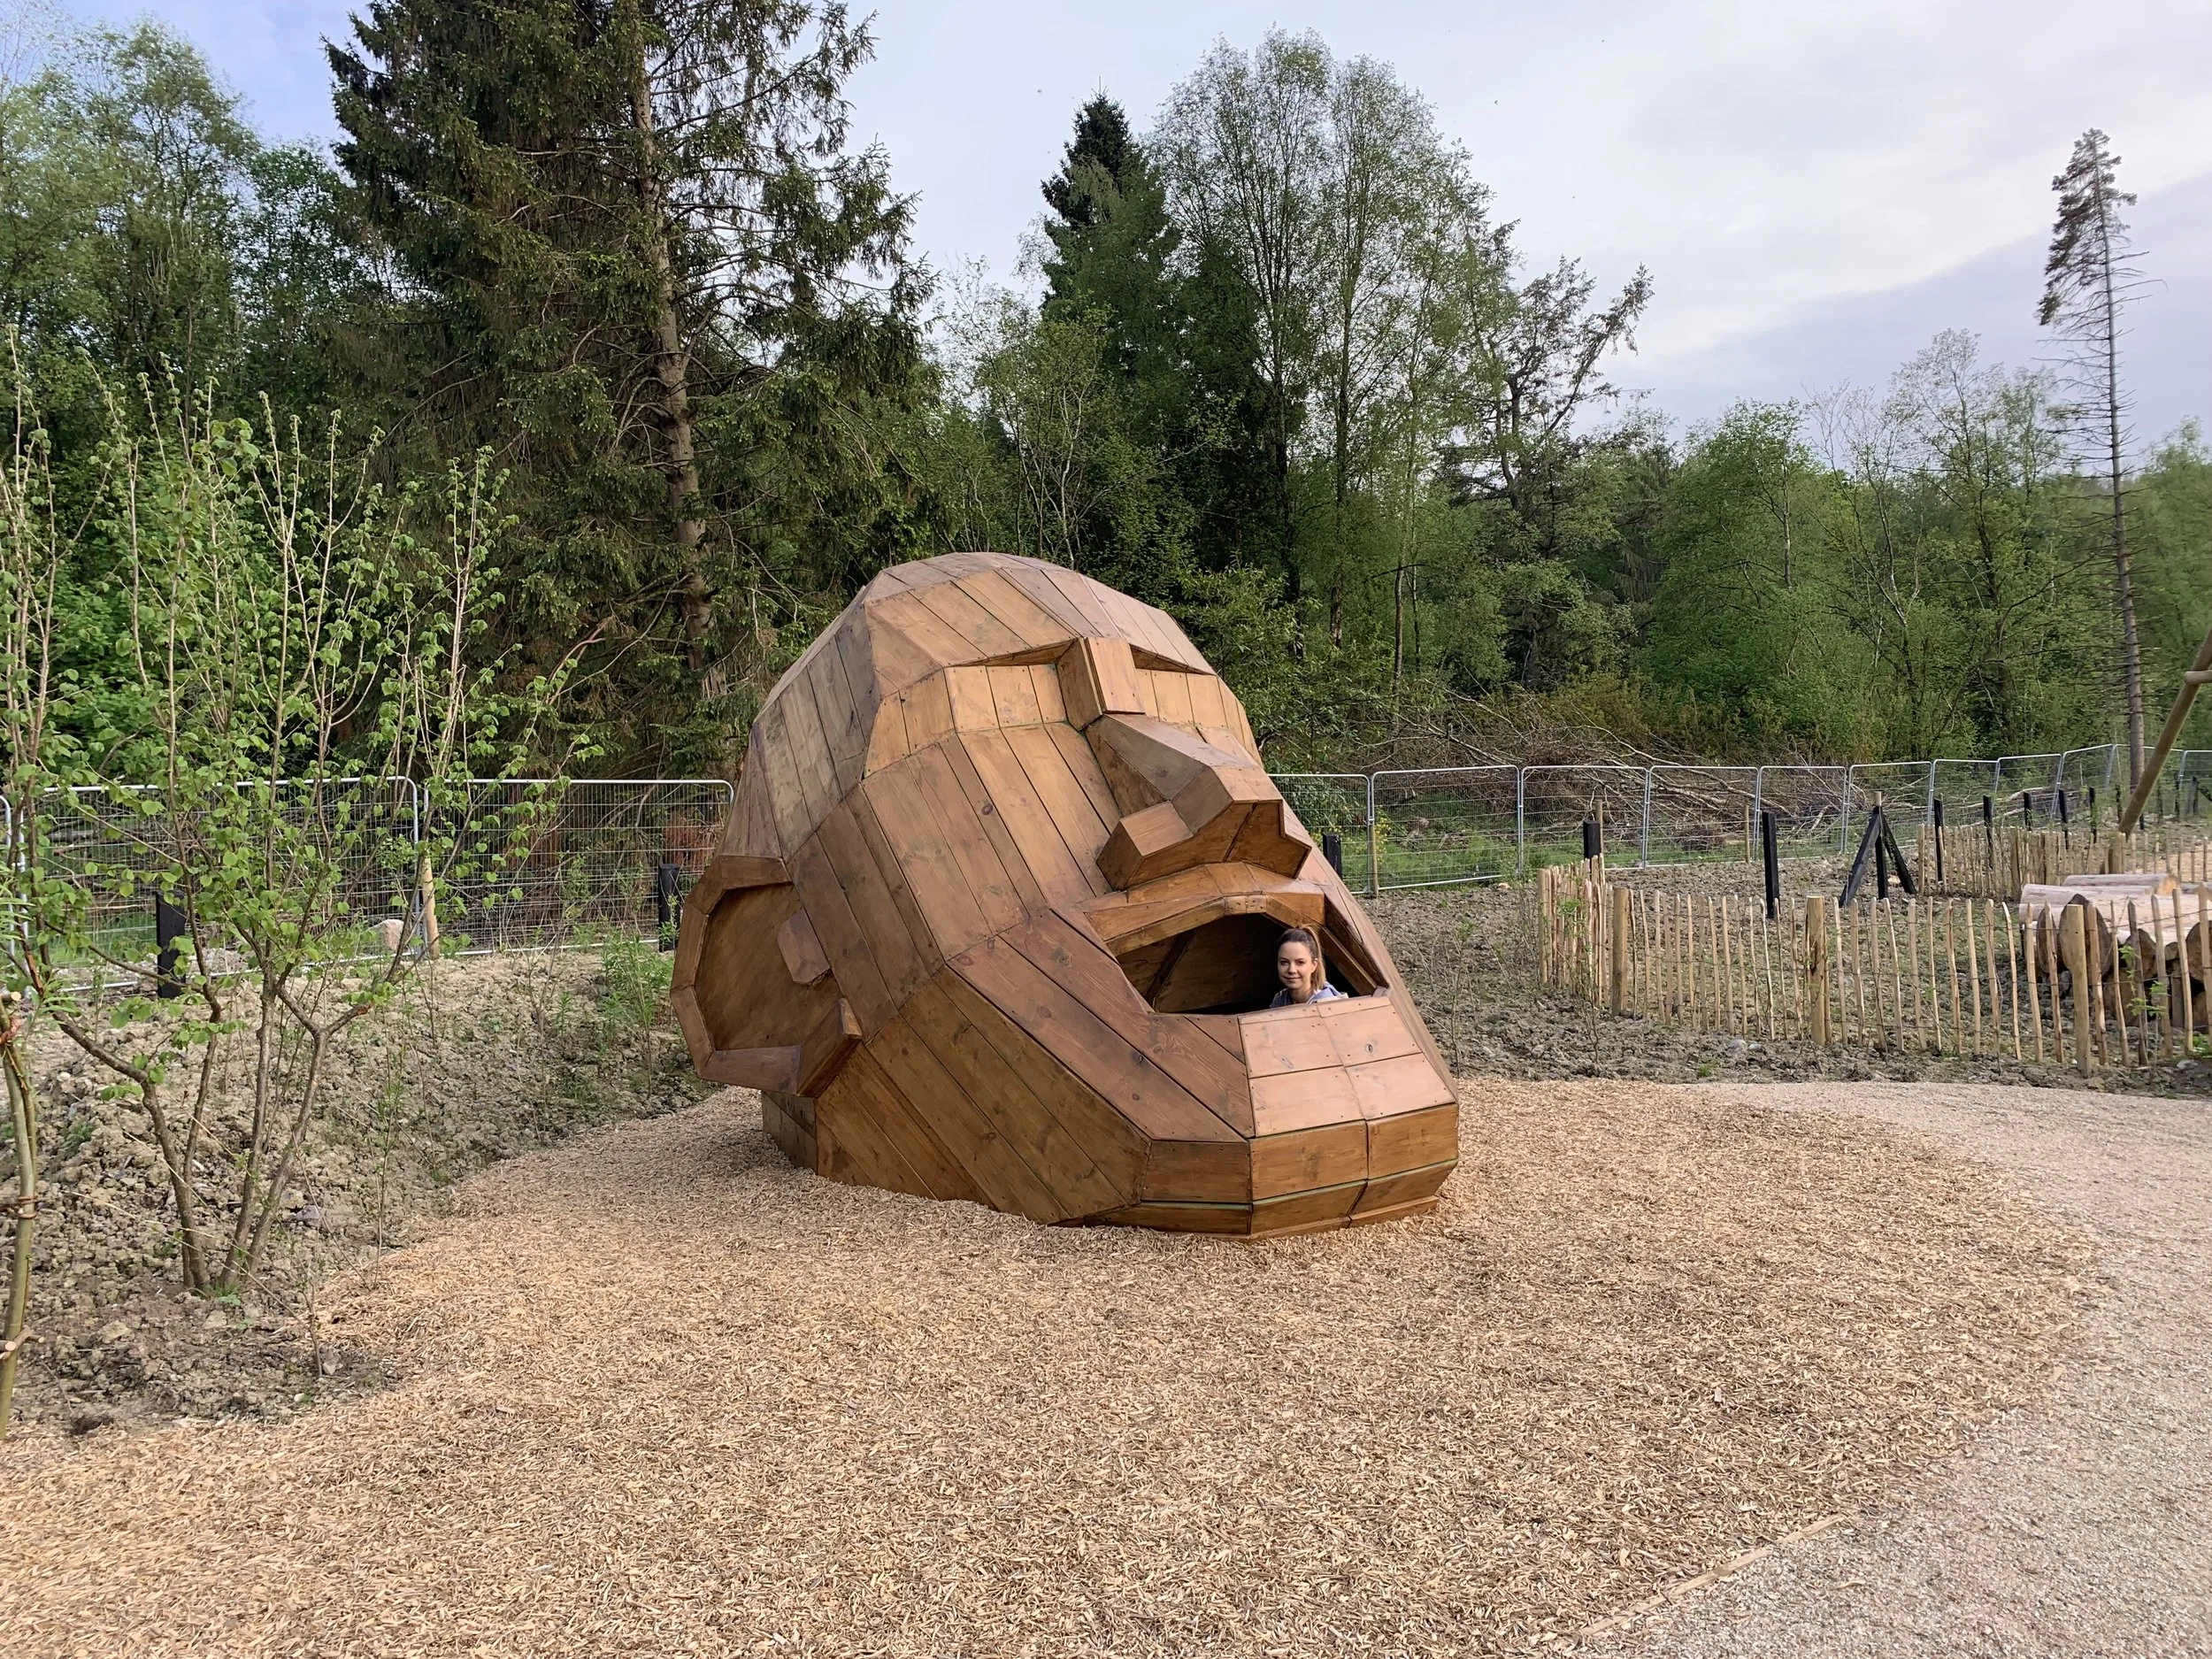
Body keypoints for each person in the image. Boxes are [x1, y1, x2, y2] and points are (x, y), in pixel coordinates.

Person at [1271, 926, 1344, 1007]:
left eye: (1300, 962)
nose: (1292, 970)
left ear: (1314, 965)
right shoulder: (1280, 999)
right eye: (1284, 962)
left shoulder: (1327, 1005)